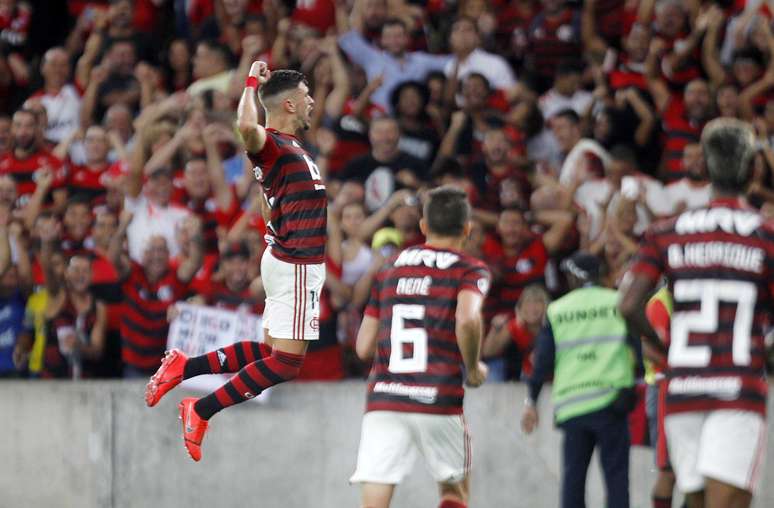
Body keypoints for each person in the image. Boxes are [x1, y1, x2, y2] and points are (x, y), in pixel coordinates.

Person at [144, 62, 327, 462]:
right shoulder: (273, 142)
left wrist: (275, 228)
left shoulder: (292, 150)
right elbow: (246, 129)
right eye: (307, 94)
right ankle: (201, 409)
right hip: (297, 264)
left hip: (289, 261)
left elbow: (268, 199)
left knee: (269, 351)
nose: (313, 100)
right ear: (291, 104)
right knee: (285, 364)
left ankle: (183, 367)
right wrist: (249, 83)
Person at [619, 118, 774, 508]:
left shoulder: (666, 232)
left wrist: (660, 348)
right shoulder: (765, 235)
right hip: (736, 390)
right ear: (755, 168)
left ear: (702, 167)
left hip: (683, 390)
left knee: (695, 500)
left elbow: (628, 304)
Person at [349, 185, 490, 508]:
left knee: (374, 502)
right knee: (454, 494)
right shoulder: (468, 268)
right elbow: (467, 320)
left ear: (424, 227)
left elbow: (363, 346)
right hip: (437, 396)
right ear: (466, 229)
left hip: (384, 399)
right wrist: (473, 368)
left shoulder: (389, 269)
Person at [521, 251, 640, 508]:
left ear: (575, 276)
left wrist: (531, 400)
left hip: (573, 406)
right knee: (617, 480)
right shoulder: (619, 301)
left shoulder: (557, 310)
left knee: (573, 481)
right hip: (612, 402)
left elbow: (542, 362)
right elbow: (637, 348)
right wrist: (635, 382)